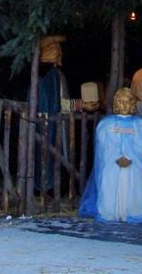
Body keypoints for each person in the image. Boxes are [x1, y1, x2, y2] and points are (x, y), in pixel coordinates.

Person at [79, 87, 142, 223]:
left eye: (128, 102)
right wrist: (117, 157)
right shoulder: (106, 124)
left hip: (134, 164)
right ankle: (110, 210)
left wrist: (130, 158)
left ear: (133, 103)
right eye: (121, 102)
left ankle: (134, 210)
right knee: (110, 176)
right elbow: (104, 147)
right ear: (116, 103)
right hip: (112, 163)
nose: (124, 105)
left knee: (137, 178)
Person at [34, 35, 97, 192]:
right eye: (58, 50)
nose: (60, 53)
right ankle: (47, 186)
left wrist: (80, 105)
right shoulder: (48, 76)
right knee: (49, 155)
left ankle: (56, 186)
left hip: (58, 123)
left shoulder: (56, 75)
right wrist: (82, 105)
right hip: (50, 123)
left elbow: (60, 101)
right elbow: (56, 102)